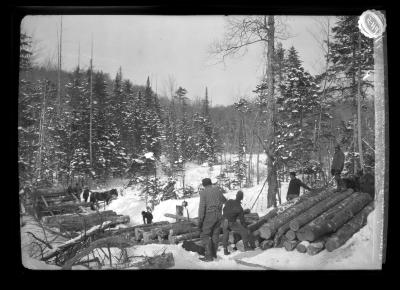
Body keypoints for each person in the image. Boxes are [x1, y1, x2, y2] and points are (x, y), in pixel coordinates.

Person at [198, 177, 227, 262]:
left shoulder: (203, 193)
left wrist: (200, 220)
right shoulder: (218, 190)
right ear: (210, 183)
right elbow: (225, 201)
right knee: (215, 235)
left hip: (209, 215)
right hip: (219, 215)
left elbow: (202, 208)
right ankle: (214, 254)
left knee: (205, 235)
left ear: (204, 185)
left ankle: (209, 256)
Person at [222, 190, 255, 255]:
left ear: (236, 196)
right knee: (244, 231)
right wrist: (246, 227)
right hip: (232, 223)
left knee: (225, 235)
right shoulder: (240, 208)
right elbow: (242, 221)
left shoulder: (229, 201)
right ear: (242, 198)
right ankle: (246, 247)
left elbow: (224, 209)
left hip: (223, 220)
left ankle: (225, 251)